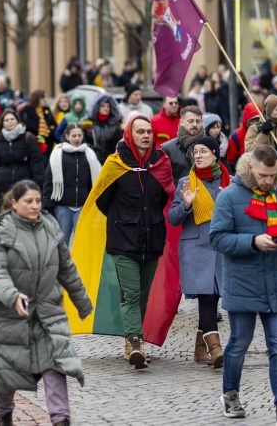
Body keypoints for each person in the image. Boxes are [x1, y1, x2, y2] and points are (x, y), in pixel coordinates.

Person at [0, 180, 92, 426]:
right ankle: (4, 415)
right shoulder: (2, 230)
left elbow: (66, 268)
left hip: (47, 311)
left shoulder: (50, 226)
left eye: (38, 200)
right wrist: (13, 295)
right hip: (8, 314)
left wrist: (82, 301)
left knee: (55, 364)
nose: (35, 205)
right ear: (14, 203)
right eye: (29, 201)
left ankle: (61, 420)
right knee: (6, 371)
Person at [209, 145, 277, 425]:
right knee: (239, 343)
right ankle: (230, 393)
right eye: (264, 175)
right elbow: (217, 238)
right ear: (250, 167)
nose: (268, 181)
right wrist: (252, 242)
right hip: (242, 283)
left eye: (273, 175)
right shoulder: (229, 196)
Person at [97, 113, 174, 368]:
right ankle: (136, 341)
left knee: (141, 295)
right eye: (140, 132)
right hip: (123, 241)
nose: (146, 136)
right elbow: (101, 200)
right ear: (129, 135)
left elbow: (165, 198)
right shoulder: (116, 164)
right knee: (130, 294)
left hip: (152, 239)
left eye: (149, 132)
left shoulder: (161, 163)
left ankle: (131, 341)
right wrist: (123, 220)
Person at [167, 137, 230, 369]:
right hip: (195, 249)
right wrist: (185, 204)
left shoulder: (228, 182)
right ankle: (215, 347)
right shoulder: (186, 182)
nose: (198, 156)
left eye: (204, 151)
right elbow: (173, 219)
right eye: (195, 152)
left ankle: (199, 348)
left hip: (220, 249)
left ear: (215, 154)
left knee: (213, 298)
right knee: (205, 296)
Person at [42, 123, 100, 243]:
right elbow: (49, 180)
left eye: (80, 135)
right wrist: (47, 203)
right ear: (67, 136)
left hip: (83, 206)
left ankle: (79, 263)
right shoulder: (58, 154)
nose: (77, 138)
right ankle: (63, 263)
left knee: (83, 242)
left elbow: (94, 182)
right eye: (74, 136)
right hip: (63, 205)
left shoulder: (89, 154)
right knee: (62, 242)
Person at [0, 108, 46, 194]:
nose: (10, 121)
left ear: (17, 121)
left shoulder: (28, 137)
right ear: (2, 124)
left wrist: (38, 183)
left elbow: (37, 162)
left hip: (25, 184)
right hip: (4, 185)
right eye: (6, 120)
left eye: (12, 119)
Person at [161, 105, 204, 182]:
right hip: (179, 192)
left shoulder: (209, 145)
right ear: (181, 122)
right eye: (190, 121)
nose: (194, 124)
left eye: (198, 121)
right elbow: (164, 179)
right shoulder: (168, 148)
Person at [86, 94, 123, 163]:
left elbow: (118, 145)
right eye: (102, 106)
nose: (105, 108)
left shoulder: (115, 125)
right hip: (92, 160)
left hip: (109, 162)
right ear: (97, 107)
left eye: (108, 106)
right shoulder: (88, 122)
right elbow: (84, 140)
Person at [20, 90, 57, 154]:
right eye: (43, 98)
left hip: (49, 142)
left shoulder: (46, 109)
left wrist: (51, 130)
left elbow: (53, 124)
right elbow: (27, 126)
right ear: (37, 99)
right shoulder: (27, 110)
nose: (45, 100)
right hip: (34, 142)